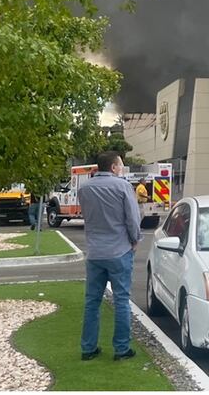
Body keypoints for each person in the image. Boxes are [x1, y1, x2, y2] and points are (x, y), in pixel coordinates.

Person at [78, 152, 142, 361]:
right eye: (121, 166)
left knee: (92, 301)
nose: (122, 169)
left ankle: (88, 348)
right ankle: (121, 349)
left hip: (95, 251)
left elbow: (87, 217)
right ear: (114, 167)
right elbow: (132, 218)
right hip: (119, 250)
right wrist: (135, 240)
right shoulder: (123, 186)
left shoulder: (84, 188)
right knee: (122, 300)